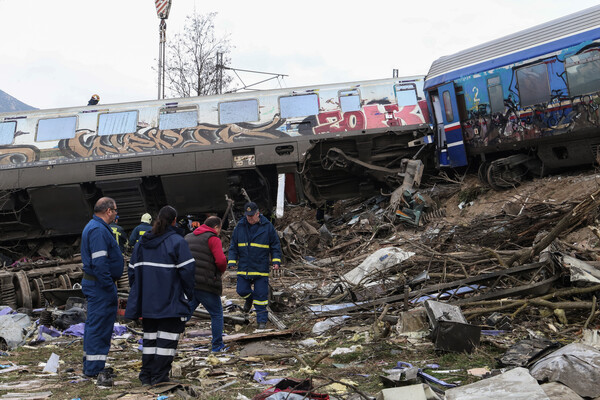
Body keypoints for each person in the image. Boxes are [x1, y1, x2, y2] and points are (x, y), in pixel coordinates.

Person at [125, 205, 195, 386]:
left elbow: (131, 272)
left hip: (147, 303)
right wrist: (188, 296)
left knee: (150, 340)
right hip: (170, 302)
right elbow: (188, 273)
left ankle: (146, 376)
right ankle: (159, 377)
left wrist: (142, 292)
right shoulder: (177, 242)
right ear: (174, 221)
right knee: (167, 342)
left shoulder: (142, 243)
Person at [80, 197, 124, 378]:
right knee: (99, 326)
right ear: (108, 211)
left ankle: (92, 365)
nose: (115, 214)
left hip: (97, 285)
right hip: (100, 286)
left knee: (95, 325)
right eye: (115, 211)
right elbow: (99, 263)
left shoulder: (95, 226)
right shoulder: (98, 230)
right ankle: (94, 369)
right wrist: (108, 286)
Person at [228, 202, 282, 329]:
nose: (250, 219)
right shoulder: (240, 226)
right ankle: (249, 299)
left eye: (252, 216)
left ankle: (261, 321)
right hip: (244, 267)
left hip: (260, 268)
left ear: (258, 214)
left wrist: (276, 261)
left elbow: (275, 245)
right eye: (248, 216)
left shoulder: (267, 226)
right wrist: (231, 261)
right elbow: (233, 246)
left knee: (261, 296)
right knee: (241, 290)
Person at [185, 216, 228, 352]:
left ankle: (168, 338)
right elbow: (221, 261)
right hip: (206, 283)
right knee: (216, 313)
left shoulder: (188, 237)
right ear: (216, 227)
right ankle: (217, 346)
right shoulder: (213, 238)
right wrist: (220, 272)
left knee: (185, 313)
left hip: (189, 282)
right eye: (219, 229)